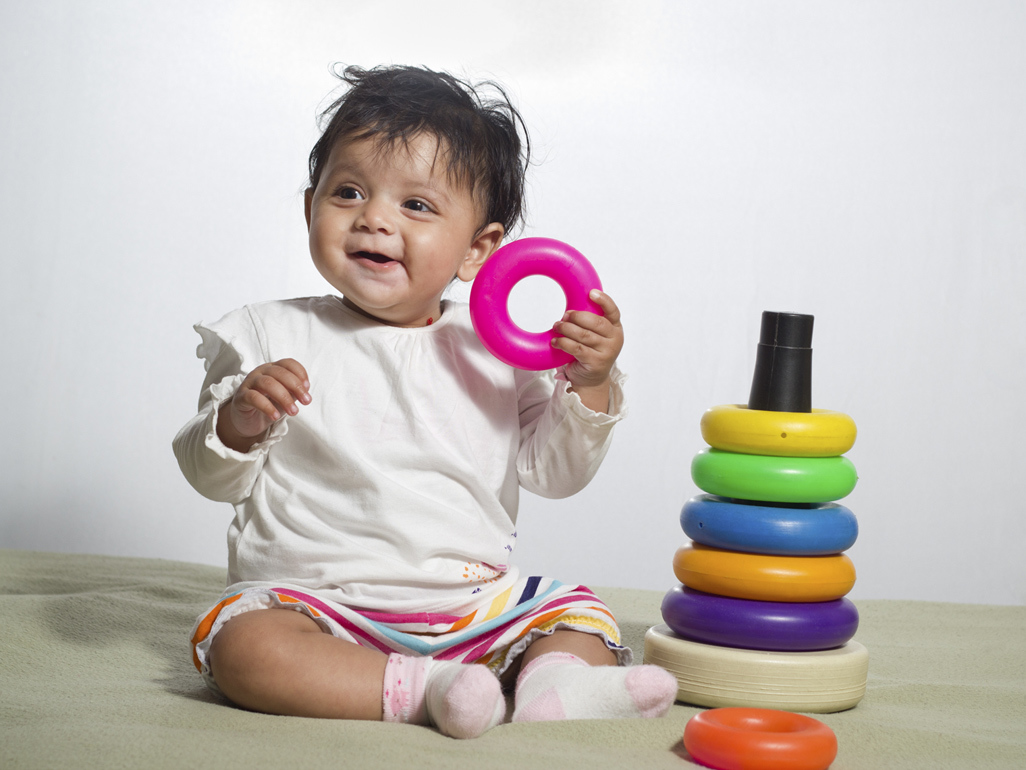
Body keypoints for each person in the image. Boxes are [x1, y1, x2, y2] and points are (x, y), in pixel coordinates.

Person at [173, 64, 676, 739]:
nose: (374, 219)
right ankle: (425, 690)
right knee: (242, 647)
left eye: (416, 205)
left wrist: (587, 381)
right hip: (320, 606)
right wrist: (239, 421)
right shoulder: (267, 333)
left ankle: (553, 685)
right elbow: (208, 477)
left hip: (473, 605)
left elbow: (555, 474)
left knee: (575, 613)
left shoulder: (495, 349)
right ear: (309, 208)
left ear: (479, 249)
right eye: (349, 192)